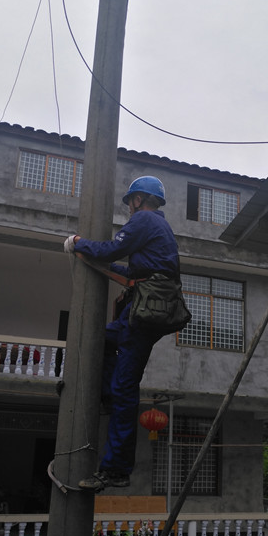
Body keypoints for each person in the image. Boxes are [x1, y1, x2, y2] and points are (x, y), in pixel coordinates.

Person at [64, 176, 180, 491]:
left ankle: (115, 469)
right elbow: (133, 271)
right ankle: (106, 396)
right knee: (99, 339)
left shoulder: (144, 220)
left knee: (126, 389)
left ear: (139, 199)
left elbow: (113, 249)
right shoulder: (160, 227)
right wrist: (96, 261)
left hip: (144, 314)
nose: (129, 207)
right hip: (144, 310)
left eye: (130, 201)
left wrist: (79, 242)